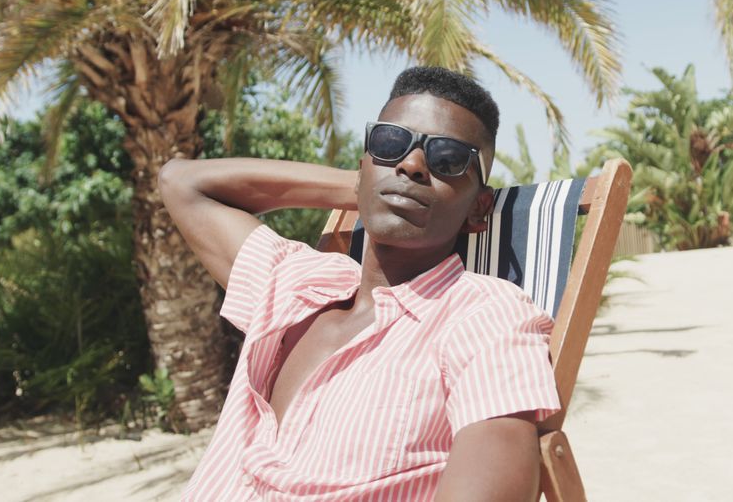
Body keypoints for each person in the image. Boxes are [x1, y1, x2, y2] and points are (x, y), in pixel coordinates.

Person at [160, 66, 561, 501]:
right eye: (390, 143)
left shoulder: (484, 316)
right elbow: (181, 183)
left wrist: (388, 184)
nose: (411, 165)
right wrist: (368, 186)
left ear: (479, 209)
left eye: (447, 159)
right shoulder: (297, 282)